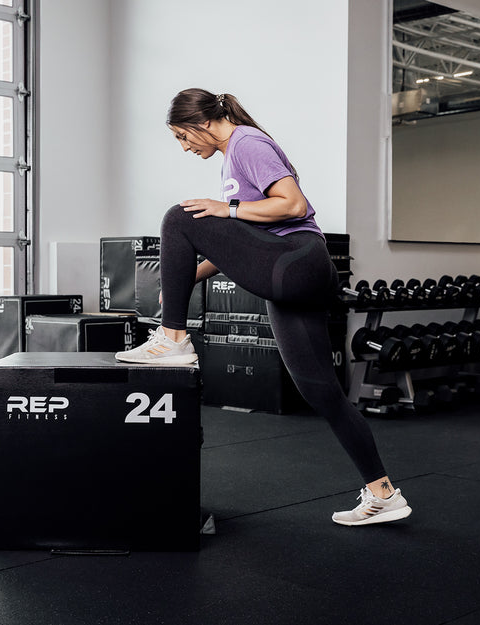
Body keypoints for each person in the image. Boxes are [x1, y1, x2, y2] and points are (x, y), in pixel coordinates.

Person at [115, 88, 411, 526]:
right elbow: (243, 242)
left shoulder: (246, 144)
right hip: (290, 273)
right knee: (321, 393)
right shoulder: (232, 158)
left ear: (202, 123)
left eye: (182, 136)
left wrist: (227, 208)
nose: (183, 146)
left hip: (298, 261)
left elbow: (293, 205)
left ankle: (172, 339)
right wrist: (187, 277)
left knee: (180, 216)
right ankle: (383, 493)